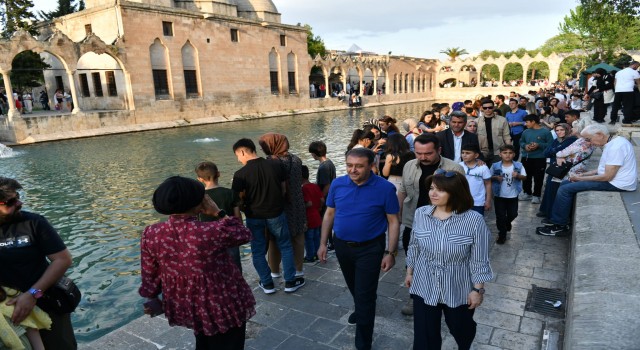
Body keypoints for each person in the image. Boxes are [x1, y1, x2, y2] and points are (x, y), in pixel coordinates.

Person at [139, 176, 255, 349]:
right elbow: (243, 233)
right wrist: (218, 212)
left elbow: (150, 272)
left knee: (203, 340)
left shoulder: (152, 233)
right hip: (221, 300)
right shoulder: (211, 230)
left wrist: (152, 296)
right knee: (230, 342)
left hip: (188, 301)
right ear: (198, 202)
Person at [317, 148, 400, 350]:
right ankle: (363, 303)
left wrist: (391, 252)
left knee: (364, 296)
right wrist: (322, 243)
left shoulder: (385, 188)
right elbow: (329, 214)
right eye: (349, 165)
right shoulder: (337, 184)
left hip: (371, 248)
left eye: (359, 166)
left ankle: (363, 342)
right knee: (355, 286)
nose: (352, 170)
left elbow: (393, 221)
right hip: (342, 246)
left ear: (371, 166)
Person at [405, 170, 493, 350]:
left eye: (440, 190)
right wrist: (410, 271)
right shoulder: (421, 213)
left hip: (458, 284)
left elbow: (479, 258)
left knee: (461, 328)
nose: (433, 193)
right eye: (431, 188)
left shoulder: (473, 220)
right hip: (425, 281)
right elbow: (414, 245)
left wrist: (478, 289)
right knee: (424, 336)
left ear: (455, 192)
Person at [0, 177, 77, 349]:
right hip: (7, 310)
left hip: (46, 302)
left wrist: (32, 294)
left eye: (17, 196)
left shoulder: (34, 223)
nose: (19, 202)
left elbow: (63, 259)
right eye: (10, 201)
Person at [397, 134, 464, 315]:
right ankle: (415, 297)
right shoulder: (409, 165)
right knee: (413, 260)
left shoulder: (454, 168)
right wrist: (398, 214)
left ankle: (443, 294)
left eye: (428, 153)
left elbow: (461, 198)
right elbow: (403, 191)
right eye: (418, 153)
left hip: (444, 224)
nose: (423, 157)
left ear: (439, 150)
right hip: (414, 221)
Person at [231, 138, 305, 294]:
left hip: (254, 216)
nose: (238, 159)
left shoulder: (240, 174)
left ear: (243, 152)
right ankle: (290, 282)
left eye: (237, 155)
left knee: (257, 250)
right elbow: (284, 189)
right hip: (276, 213)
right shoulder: (275, 165)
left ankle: (267, 283)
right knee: (285, 245)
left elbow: (237, 200)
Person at [536, 124, 637, 236]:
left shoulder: (616, 147)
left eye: (588, 139)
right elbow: (601, 169)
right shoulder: (614, 142)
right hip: (615, 180)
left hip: (617, 184)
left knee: (565, 189)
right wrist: (584, 174)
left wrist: (579, 178)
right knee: (565, 183)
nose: (587, 142)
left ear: (599, 135)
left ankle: (560, 226)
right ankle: (561, 219)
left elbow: (607, 176)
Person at [258, 133, 307, 280]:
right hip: (297, 202)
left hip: (279, 205)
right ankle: (298, 269)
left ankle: (274, 271)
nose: (262, 148)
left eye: (264, 145)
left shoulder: (271, 163)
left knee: (275, 238)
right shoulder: (296, 159)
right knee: (298, 236)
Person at [195, 161, 243, 271]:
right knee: (234, 264)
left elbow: (197, 219)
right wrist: (239, 230)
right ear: (219, 174)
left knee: (213, 267)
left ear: (200, 179)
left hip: (208, 236)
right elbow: (237, 215)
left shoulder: (199, 197)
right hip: (229, 234)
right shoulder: (230, 193)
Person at [537, 124, 580, 219]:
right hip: (554, 168)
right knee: (549, 189)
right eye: (557, 130)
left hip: (563, 169)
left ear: (567, 130)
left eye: (562, 130)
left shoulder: (571, 140)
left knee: (555, 190)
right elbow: (546, 153)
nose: (559, 132)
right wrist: (554, 150)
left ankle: (552, 214)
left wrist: (554, 150)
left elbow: (558, 151)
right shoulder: (557, 140)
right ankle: (546, 210)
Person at [491, 145, 527, 244]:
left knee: (513, 214)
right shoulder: (495, 166)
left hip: (513, 195)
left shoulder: (518, 165)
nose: (507, 155)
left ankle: (507, 223)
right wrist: (495, 178)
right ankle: (502, 235)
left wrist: (518, 175)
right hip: (499, 196)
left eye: (510, 153)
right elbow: (488, 177)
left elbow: (524, 177)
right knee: (500, 216)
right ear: (500, 154)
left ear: (514, 154)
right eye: (505, 153)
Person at [518, 114, 553, 204]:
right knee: (526, 177)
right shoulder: (525, 132)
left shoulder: (545, 132)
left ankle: (536, 195)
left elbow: (551, 145)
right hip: (526, 158)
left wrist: (539, 145)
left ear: (533, 121)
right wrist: (525, 146)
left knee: (538, 177)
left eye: (527, 122)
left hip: (539, 158)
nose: (525, 124)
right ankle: (527, 193)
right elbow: (521, 141)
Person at [308, 140, 336, 250]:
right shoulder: (329, 163)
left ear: (315, 153)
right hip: (330, 196)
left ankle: (329, 243)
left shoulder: (323, 167)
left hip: (326, 197)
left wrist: (321, 198)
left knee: (325, 220)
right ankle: (331, 242)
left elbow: (327, 185)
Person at [476, 98, 512, 167]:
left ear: (493, 107)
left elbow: (506, 136)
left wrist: (509, 151)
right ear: (482, 108)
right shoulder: (476, 121)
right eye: (485, 108)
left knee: (497, 174)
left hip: (498, 152)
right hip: (482, 152)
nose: (487, 109)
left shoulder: (502, 120)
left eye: (490, 107)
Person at [460, 144, 492, 215]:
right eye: (463, 153)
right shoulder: (459, 166)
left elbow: (488, 184)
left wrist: (488, 200)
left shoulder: (483, 168)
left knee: (477, 223)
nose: (464, 155)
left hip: (478, 202)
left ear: (476, 155)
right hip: (461, 201)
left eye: (468, 153)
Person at [301, 165, 324, 263]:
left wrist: (300, 208)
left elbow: (309, 203)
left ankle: (310, 256)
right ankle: (318, 254)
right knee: (317, 236)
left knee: (308, 239)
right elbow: (322, 200)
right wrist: (319, 208)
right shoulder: (315, 186)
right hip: (317, 216)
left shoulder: (304, 188)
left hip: (309, 217)